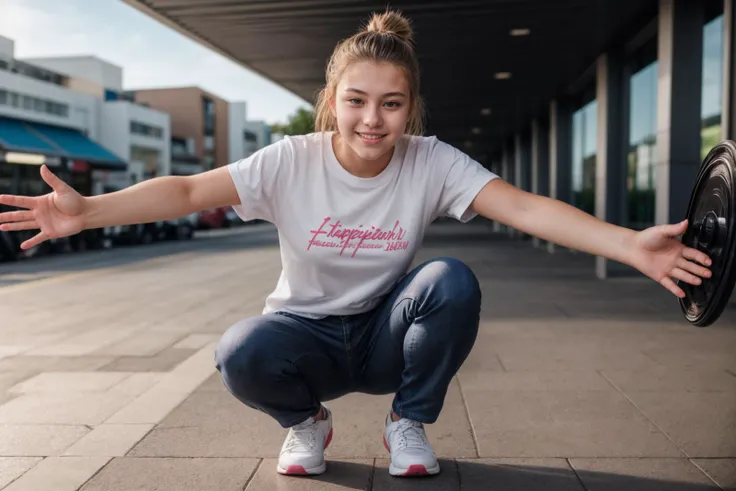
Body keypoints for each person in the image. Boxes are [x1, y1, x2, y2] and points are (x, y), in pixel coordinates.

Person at [0, 9, 712, 479]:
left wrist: (629, 245)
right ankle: (307, 422)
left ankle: (409, 422)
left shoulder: (430, 160)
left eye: (392, 103)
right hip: (303, 336)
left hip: (383, 337)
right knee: (239, 352)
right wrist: (87, 210)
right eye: (357, 100)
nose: (372, 120)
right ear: (332, 99)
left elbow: (523, 206)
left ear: (412, 107)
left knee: (451, 280)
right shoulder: (288, 161)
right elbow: (187, 192)